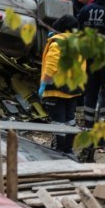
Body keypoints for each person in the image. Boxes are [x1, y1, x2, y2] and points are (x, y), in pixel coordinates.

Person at [77, 0, 105, 147]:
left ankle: (88, 127)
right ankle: (103, 132)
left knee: (91, 91)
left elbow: (79, 29)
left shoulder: (86, 9)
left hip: (89, 56)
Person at [39, 15, 86, 156]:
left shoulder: (56, 43)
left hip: (56, 89)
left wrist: (44, 84)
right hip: (73, 89)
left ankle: (59, 149)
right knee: (70, 119)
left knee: (58, 121)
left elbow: (51, 66)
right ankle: (68, 148)